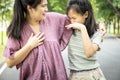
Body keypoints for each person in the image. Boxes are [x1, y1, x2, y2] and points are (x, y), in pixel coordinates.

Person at [3, 0, 72, 80]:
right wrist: (29, 46)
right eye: (43, 6)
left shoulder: (54, 19)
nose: (46, 9)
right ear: (30, 8)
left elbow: (75, 18)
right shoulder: (18, 30)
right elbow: (9, 62)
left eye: (46, 5)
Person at [65, 0, 106, 80]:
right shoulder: (70, 29)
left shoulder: (97, 33)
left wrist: (83, 29)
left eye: (74, 18)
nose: (71, 21)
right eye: (69, 18)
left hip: (91, 74)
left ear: (86, 14)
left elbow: (89, 53)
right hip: (74, 74)